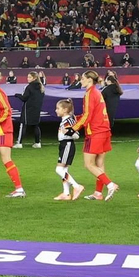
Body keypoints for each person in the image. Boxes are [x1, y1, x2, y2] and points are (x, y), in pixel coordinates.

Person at [75, 69, 117, 200]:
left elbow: (88, 114)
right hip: (105, 130)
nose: (80, 81)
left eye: (82, 78)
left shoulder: (89, 93)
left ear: (89, 80)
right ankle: (98, 193)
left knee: (89, 164)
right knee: (99, 164)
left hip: (95, 132)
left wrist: (74, 128)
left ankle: (110, 184)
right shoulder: (98, 93)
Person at [51, 99, 84, 201]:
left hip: (67, 145)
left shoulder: (68, 120)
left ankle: (76, 186)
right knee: (64, 170)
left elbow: (76, 135)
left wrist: (68, 132)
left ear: (65, 110)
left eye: (58, 108)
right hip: (64, 145)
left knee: (59, 169)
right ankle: (66, 193)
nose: (56, 110)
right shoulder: (65, 120)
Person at [19, 70, 45, 149]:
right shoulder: (41, 87)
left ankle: (19, 143)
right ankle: (37, 143)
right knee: (35, 125)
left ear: (34, 78)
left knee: (23, 124)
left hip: (28, 109)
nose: (27, 78)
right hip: (37, 109)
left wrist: (17, 95)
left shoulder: (29, 87)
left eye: (29, 77)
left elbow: (24, 98)